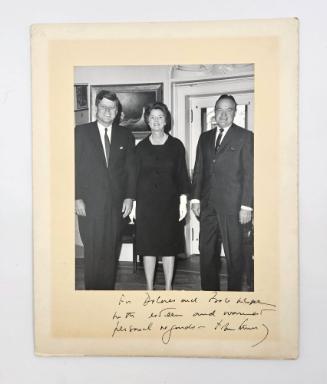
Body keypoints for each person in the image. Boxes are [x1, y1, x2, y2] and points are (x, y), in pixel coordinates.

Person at [191, 94, 253, 291]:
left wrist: (246, 205)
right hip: (208, 206)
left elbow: (250, 174)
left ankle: (233, 299)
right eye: (220, 110)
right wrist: (195, 199)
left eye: (229, 110)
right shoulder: (205, 137)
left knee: (234, 256)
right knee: (206, 253)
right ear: (214, 112)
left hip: (233, 207)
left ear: (235, 113)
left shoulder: (245, 137)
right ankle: (209, 296)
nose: (224, 115)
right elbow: (199, 169)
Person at [75, 90, 136, 290]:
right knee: (92, 252)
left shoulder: (125, 135)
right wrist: (76, 197)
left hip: (116, 206)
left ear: (117, 111)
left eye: (112, 108)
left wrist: (129, 197)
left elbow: (130, 169)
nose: (108, 111)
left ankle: (106, 297)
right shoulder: (81, 132)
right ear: (96, 109)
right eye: (104, 107)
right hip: (89, 204)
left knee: (110, 252)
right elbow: (72, 166)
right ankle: (92, 297)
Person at [131, 102, 190, 290]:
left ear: (166, 121)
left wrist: (183, 200)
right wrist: (132, 204)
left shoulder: (176, 146)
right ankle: (149, 288)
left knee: (168, 247)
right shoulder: (140, 148)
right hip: (146, 205)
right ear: (147, 121)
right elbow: (134, 177)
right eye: (152, 117)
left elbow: (182, 175)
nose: (156, 121)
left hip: (169, 205)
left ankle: (168, 288)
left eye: (160, 117)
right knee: (148, 248)